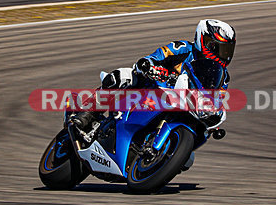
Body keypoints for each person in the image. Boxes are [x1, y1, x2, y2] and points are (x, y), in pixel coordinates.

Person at [70, 19, 236, 132]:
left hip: (182, 107)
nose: (223, 54)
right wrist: (150, 65)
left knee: (188, 160)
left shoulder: (222, 76)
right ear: (203, 40)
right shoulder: (183, 48)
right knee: (122, 76)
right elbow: (156, 57)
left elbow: (217, 99)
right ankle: (87, 111)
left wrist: (214, 116)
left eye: (227, 50)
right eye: (217, 48)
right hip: (153, 88)